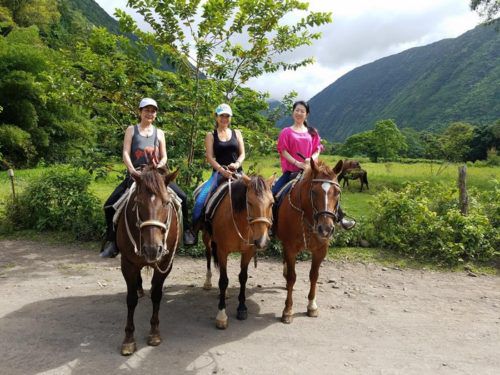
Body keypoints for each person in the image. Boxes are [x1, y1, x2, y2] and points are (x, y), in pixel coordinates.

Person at [100, 98, 195, 258]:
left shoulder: (160, 133)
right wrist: (131, 169)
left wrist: (160, 165)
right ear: (140, 112)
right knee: (110, 205)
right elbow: (125, 152)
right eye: (146, 110)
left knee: (183, 198)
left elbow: (164, 156)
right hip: (137, 174)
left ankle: (186, 233)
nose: (149, 113)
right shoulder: (131, 130)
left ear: (156, 114)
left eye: (153, 111)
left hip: (156, 175)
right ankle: (112, 241)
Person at [272, 100, 355, 230]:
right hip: (291, 172)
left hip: (312, 172)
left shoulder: (312, 132)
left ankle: (341, 218)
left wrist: (310, 159)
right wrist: (297, 163)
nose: (299, 113)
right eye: (297, 110)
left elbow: (317, 149)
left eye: (302, 111)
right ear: (293, 112)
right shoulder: (286, 132)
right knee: (274, 193)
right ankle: (272, 225)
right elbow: (283, 151)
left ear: (307, 114)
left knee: (328, 191)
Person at [191, 103, 245, 242]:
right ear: (216, 117)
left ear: (230, 118)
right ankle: (193, 231)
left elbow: (242, 153)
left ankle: (263, 231)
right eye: (222, 116)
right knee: (200, 200)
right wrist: (222, 170)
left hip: (237, 173)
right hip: (219, 174)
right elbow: (209, 157)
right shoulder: (211, 135)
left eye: (227, 116)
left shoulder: (236, 133)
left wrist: (236, 164)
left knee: (258, 196)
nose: (224, 119)